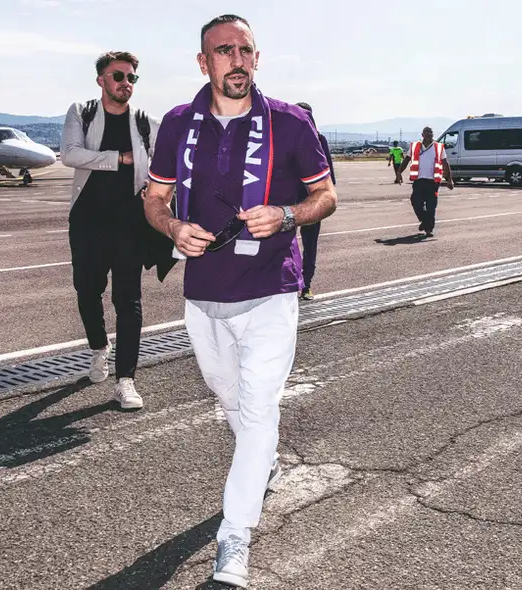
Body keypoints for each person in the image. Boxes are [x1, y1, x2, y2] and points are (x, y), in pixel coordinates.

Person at [142, 14, 337, 588]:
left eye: (245, 49)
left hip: (271, 291)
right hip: (203, 296)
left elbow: (326, 195)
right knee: (230, 399)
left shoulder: (291, 122)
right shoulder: (178, 124)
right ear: (204, 63)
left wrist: (288, 214)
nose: (237, 59)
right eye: (224, 51)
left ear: (258, 56)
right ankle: (263, 462)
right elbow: (154, 199)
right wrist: (172, 228)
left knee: (256, 410)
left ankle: (234, 542)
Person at [60, 51, 160, 409]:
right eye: (118, 76)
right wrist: (117, 159)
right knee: (87, 292)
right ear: (101, 79)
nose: (126, 83)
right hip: (87, 221)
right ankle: (99, 347)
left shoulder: (146, 123)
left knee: (128, 300)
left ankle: (126, 380)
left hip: (130, 224)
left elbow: (165, 167)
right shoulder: (82, 112)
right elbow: (69, 154)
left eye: (132, 77)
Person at [295, 101, 336, 301]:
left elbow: (329, 173)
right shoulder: (285, 139)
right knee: (285, 245)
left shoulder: (320, 140)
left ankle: (306, 284)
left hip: (313, 203)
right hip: (290, 204)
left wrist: (327, 197)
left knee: (310, 246)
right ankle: (288, 284)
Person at [408, 126, 454, 237]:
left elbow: (445, 164)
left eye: (431, 132)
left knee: (431, 206)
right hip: (419, 181)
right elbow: (406, 159)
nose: (429, 134)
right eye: (426, 132)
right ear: (422, 134)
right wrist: (399, 173)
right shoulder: (415, 147)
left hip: (433, 182)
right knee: (416, 202)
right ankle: (425, 221)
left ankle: (429, 229)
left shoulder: (438, 147)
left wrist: (450, 180)